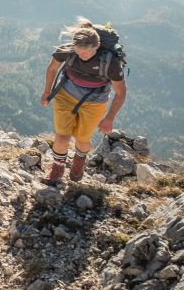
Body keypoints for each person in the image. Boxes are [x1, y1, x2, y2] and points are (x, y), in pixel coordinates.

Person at [39, 18, 127, 185]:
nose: (82, 55)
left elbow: (121, 93)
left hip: (95, 102)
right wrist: (47, 92)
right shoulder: (68, 50)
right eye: (79, 51)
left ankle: (79, 158)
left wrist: (109, 118)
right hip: (66, 95)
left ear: (97, 45)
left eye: (86, 52)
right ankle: (57, 171)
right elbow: (52, 68)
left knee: (82, 139)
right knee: (62, 137)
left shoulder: (110, 63)